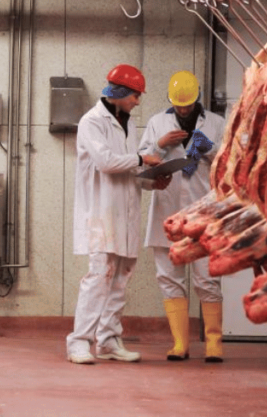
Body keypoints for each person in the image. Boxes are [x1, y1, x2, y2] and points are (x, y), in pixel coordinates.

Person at [66, 64, 169, 365]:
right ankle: (79, 343)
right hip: (101, 212)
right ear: (121, 92)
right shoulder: (91, 122)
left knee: (120, 279)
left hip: (126, 213)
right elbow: (106, 162)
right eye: (136, 95)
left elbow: (129, 169)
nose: (138, 101)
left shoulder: (130, 125)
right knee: (99, 276)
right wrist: (141, 158)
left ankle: (109, 340)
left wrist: (151, 180)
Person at [139, 70, 228, 362]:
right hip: (167, 210)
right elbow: (141, 165)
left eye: (187, 105)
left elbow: (231, 163)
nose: (183, 110)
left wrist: (210, 149)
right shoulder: (157, 123)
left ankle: (214, 343)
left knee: (207, 280)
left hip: (203, 212)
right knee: (169, 278)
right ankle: (180, 344)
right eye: (178, 106)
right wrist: (160, 145)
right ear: (170, 101)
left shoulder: (216, 123)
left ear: (197, 98)